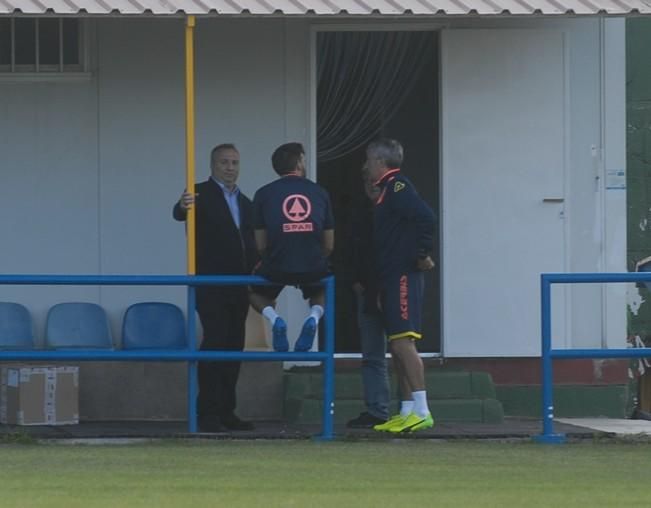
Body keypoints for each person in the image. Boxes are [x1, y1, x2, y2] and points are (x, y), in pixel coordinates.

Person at [173, 143, 258, 433]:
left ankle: (226, 410)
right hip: (211, 284)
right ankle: (207, 412)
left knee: (234, 347)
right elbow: (180, 211)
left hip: (240, 284)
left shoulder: (246, 202)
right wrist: (182, 206)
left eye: (234, 162)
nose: (230, 167)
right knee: (215, 342)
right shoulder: (199, 194)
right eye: (224, 162)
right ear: (213, 165)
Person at [364, 138, 436, 434]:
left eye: (369, 160)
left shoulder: (398, 187)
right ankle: (406, 410)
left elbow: (425, 217)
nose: (366, 166)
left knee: (403, 341)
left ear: (381, 162)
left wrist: (420, 254)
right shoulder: (385, 192)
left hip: (404, 275)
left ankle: (422, 409)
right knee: (396, 343)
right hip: (391, 275)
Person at [249, 142, 334, 352]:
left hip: (277, 264)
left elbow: (260, 244)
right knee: (321, 289)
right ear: (298, 162)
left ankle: (275, 319)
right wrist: (314, 259)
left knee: (253, 291)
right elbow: (329, 243)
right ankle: (314, 317)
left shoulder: (263, 194)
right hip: (312, 264)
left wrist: (272, 259)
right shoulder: (320, 192)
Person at [346, 166, 391, 428]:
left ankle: (410, 409)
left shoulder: (399, 209)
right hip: (368, 290)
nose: (371, 184)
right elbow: (350, 251)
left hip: (396, 290)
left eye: (375, 179)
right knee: (373, 353)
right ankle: (377, 410)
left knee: (402, 350)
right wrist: (355, 281)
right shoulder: (359, 215)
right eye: (366, 180)